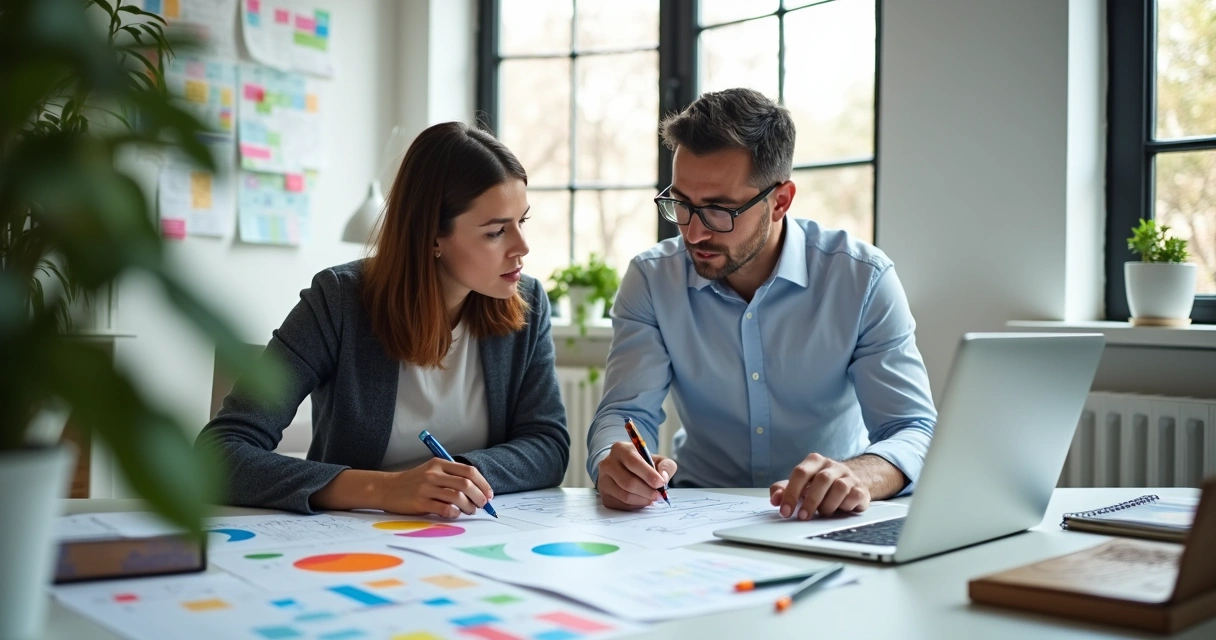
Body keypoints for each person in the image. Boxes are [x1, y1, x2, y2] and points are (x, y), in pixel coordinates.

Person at [587, 88, 936, 519]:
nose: (692, 233)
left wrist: (859, 476)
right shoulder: (652, 279)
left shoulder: (861, 279)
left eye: (719, 210)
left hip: (826, 514)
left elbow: (913, 428)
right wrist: (612, 459)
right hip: (693, 512)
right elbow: (625, 413)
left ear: (781, 201)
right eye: (681, 204)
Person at [197, 122, 569, 517]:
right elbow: (220, 453)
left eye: (521, 222)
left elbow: (548, 444)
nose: (522, 247)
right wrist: (382, 488)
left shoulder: (528, 302)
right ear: (432, 237)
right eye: (496, 232)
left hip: (467, 539)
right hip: (351, 544)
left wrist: (456, 478)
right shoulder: (337, 301)